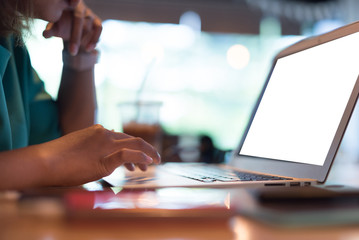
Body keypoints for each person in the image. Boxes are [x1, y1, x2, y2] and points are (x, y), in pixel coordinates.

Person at [0, 0, 160, 190]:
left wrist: (79, 53)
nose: (76, 2)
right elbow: (61, 157)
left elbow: (74, 156)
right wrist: (53, 161)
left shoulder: (11, 42)